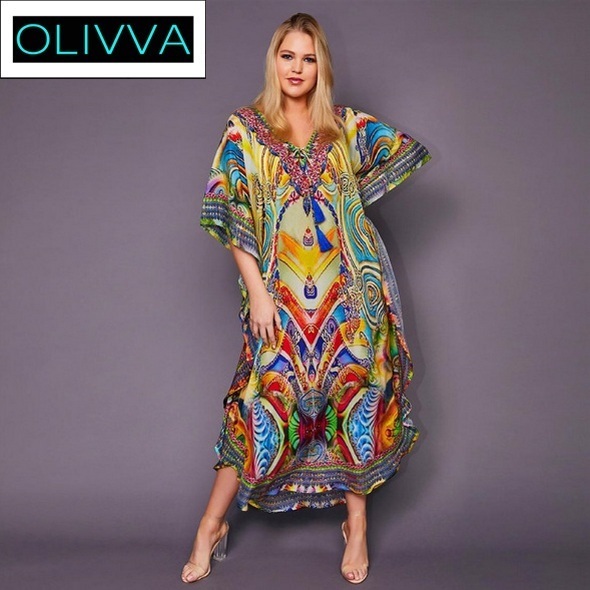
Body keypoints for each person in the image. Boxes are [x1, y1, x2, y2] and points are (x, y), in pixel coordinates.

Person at [181, 12, 431, 585]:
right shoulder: (244, 130)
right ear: (274, 61)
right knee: (258, 401)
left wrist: (352, 230)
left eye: (309, 58)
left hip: (351, 295)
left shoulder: (343, 126)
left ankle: (356, 525)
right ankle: (210, 526)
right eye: (288, 55)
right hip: (280, 298)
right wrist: (258, 293)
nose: (297, 68)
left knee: (356, 398)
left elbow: (395, 159)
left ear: (322, 67)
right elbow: (231, 214)